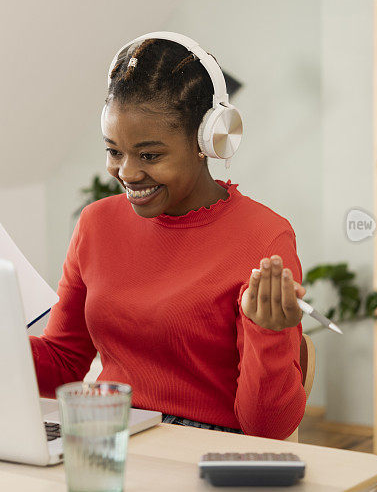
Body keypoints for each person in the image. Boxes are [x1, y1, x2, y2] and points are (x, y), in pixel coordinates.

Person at [29, 33, 307, 440]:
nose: (126, 172)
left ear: (206, 140)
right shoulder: (96, 223)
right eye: (113, 151)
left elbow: (267, 428)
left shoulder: (264, 238)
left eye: (149, 155)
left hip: (205, 449)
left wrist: (269, 332)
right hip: (109, 437)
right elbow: (64, 363)